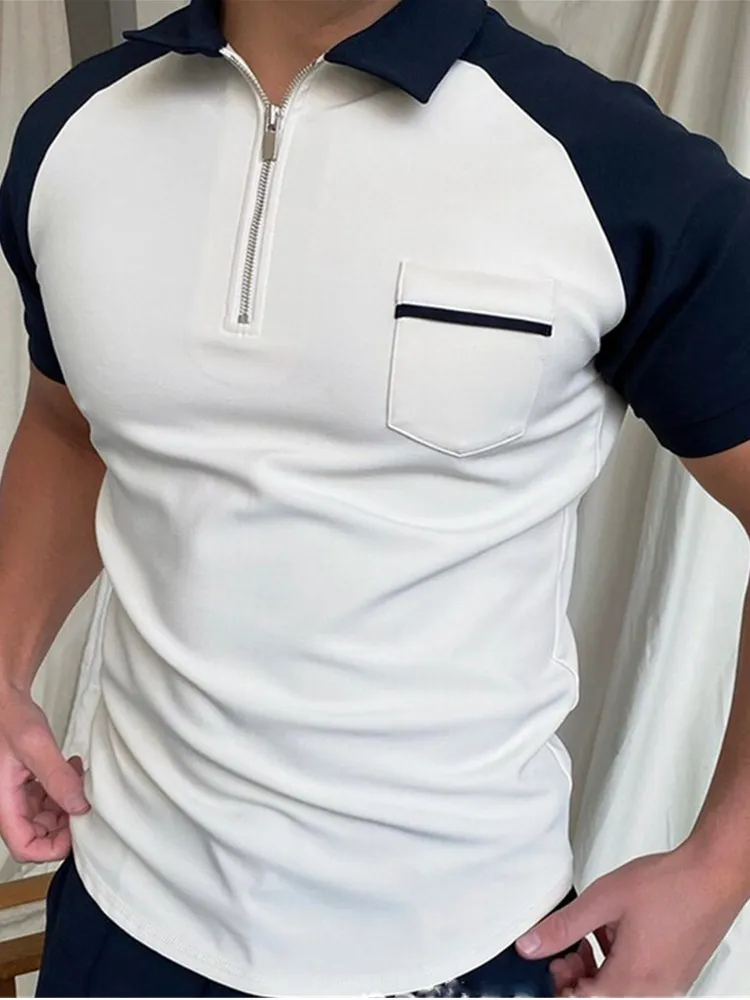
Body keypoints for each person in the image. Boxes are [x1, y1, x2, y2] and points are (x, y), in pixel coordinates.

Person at [0, 0, 749, 995]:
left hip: (460, 947)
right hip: (121, 915)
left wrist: (720, 868)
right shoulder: (73, 134)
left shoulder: (615, 168)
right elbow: (70, 423)